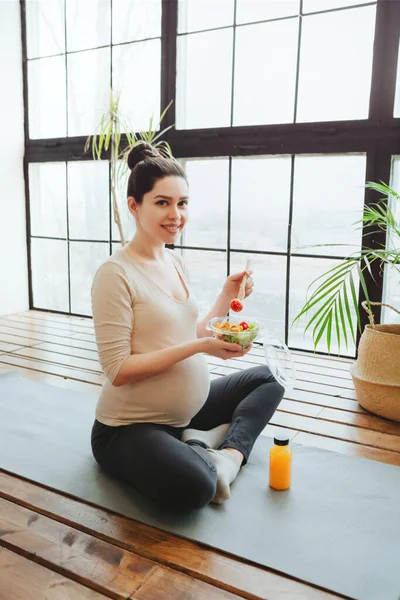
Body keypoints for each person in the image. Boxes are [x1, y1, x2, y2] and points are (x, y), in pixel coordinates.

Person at [90, 141, 285, 510]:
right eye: (162, 202)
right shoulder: (115, 275)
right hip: (129, 428)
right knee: (197, 486)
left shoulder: (175, 262)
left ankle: (227, 456)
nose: (175, 214)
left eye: (182, 203)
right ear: (135, 205)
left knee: (270, 377)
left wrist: (227, 297)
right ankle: (200, 446)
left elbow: (190, 331)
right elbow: (117, 370)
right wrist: (200, 348)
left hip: (187, 411)